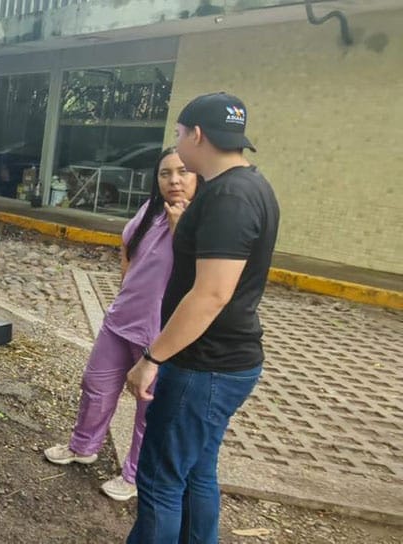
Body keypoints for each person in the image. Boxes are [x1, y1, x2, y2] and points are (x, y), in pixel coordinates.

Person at [125, 92, 279, 543]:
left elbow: (211, 294)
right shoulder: (247, 186)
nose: (176, 144)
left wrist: (152, 357)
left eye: (177, 134)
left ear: (196, 134)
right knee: (196, 471)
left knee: (159, 482)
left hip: (203, 366)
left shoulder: (230, 197)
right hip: (223, 363)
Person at [44, 148, 198, 501]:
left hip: (158, 333)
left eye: (183, 172)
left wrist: (180, 230)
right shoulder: (150, 209)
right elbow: (127, 247)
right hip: (121, 319)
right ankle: (83, 446)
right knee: (96, 385)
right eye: (164, 174)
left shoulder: (201, 222)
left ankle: (134, 474)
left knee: (148, 408)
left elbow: (196, 279)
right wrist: (128, 287)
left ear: (197, 177)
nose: (173, 180)